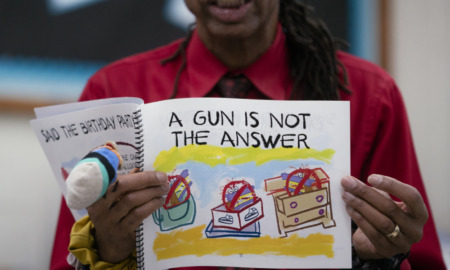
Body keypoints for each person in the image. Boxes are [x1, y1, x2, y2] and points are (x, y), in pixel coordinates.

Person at [50, 0, 446, 269]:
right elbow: (62, 259)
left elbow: (418, 256)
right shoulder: (113, 94)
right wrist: (110, 248)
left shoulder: (370, 95)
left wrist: (384, 257)